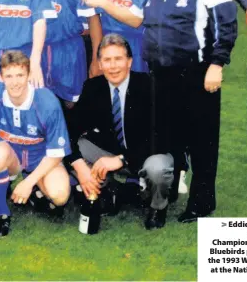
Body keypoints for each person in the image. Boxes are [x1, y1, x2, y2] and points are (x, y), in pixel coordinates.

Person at [143, 0, 237, 223]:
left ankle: (202, 201)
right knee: (168, 136)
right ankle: (168, 190)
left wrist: (217, 64)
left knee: (202, 141)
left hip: (196, 74)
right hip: (161, 73)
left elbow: (227, 26)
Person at [67, 34, 173, 230]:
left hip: (146, 153)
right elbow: (71, 130)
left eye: (118, 59)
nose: (113, 66)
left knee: (158, 168)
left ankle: (157, 207)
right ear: (99, 63)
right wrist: (80, 165)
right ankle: (107, 190)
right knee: (79, 148)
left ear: (130, 61)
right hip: (110, 152)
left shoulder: (150, 86)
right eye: (107, 60)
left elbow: (162, 137)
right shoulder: (92, 87)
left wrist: (122, 159)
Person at [0, 51, 71, 237]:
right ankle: (2, 213)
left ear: (29, 75)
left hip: (41, 158)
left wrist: (29, 182)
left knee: (60, 196)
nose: (15, 82)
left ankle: (35, 187)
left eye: (20, 75)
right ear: (0, 77)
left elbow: (57, 152)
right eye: (9, 76)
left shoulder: (47, 102)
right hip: (10, 157)